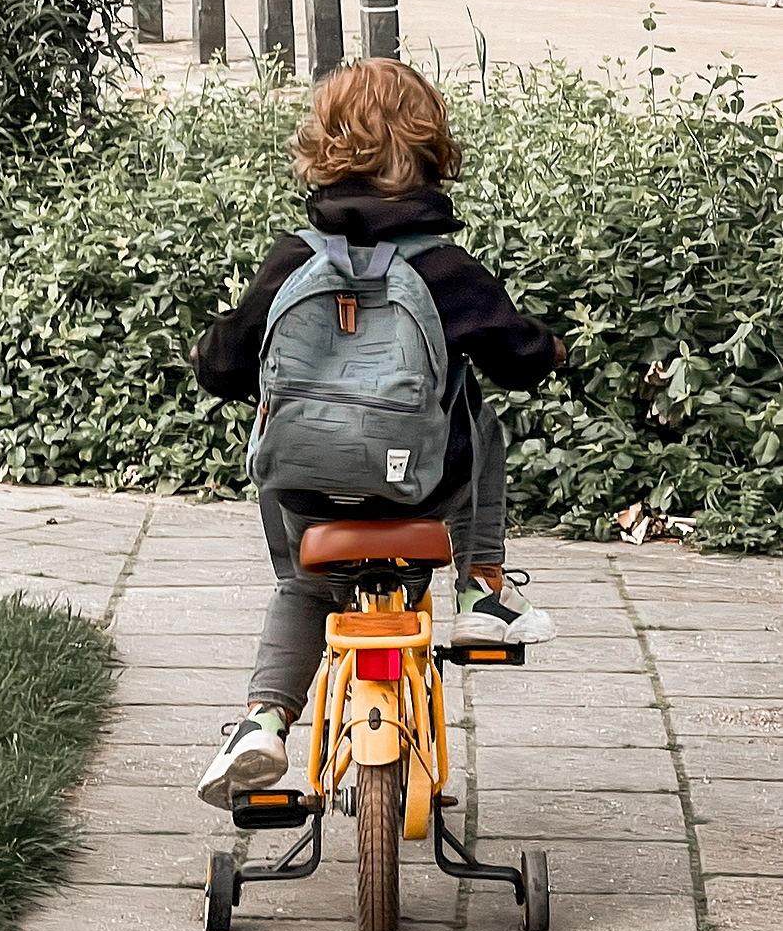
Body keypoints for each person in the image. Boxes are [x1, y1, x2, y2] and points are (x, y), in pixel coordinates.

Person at [191, 58, 567, 810]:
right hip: (422, 491)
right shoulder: (443, 269)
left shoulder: (295, 260)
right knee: (476, 414)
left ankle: (262, 723)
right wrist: (551, 350)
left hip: (307, 495)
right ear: (431, 151)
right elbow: (517, 357)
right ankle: (480, 589)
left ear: (323, 148)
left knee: (303, 587)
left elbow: (223, 367)